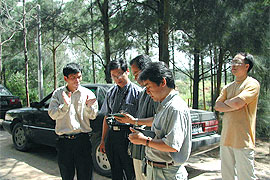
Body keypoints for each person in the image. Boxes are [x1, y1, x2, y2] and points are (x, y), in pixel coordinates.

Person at [127, 62, 192, 180]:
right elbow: (157, 123)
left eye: (149, 86)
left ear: (163, 82)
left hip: (167, 173)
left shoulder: (175, 108)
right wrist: (135, 122)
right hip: (156, 170)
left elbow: (172, 146)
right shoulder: (164, 105)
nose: (147, 92)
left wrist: (144, 141)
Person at [48, 62, 98, 180]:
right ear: (66, 78)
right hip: (64, 142)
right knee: (66, 175)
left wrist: (88, 107)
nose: (77, 80)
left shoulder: (87, 93)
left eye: (79, 77)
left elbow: (93, 116)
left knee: (85, 175)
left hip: (83, 141)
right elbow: (52, 114)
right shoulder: (58, 94)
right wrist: (65, 106)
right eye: (73, 78)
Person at [215, 52, 260, 180]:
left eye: (237, 62)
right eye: (232, 62)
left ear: (247, 66)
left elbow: (237, 102)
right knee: (227, 176)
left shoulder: (252, 84)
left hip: (243, 139)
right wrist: (234, 105)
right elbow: (217, 106)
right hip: (226, 138)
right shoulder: (228, 87)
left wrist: (228, 104)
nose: (233, 65)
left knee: (246, 176)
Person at [115, 55, 158, 180]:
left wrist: (135, 121)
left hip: (150, 150)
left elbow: (159, 119)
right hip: (138, 149)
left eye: (136, 73)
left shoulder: (155, 92)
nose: (135, 78)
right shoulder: (143, 92)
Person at [98, 58, 142, 180]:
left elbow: (141, 120)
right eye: (114, 76)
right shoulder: (110, 92)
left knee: (130, 171)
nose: (118, 79)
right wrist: (103, 140)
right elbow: (106, 117)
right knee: (115, 170)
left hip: (129, 135)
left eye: (120, 75)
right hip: (113, 135)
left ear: (127, 71)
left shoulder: (138, 92)